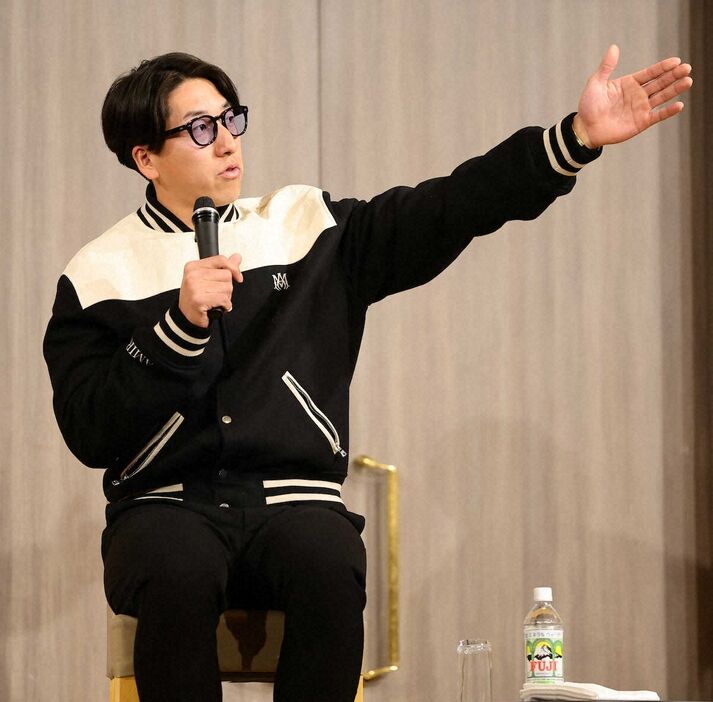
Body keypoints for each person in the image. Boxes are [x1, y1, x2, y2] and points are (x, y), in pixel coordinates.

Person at [43, 46, 692, 702]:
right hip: (164, 505)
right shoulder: (99, 273)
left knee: (327, 564)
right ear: (146, 158)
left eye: (231, 119)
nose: (228, 143)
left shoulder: (305, 226)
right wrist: (176, 328)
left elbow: (449, 206)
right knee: (176, 570)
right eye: (201, 128)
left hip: (294, 500)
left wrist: (574, 139)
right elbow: (89, 429)